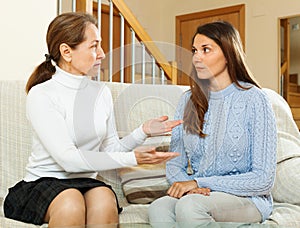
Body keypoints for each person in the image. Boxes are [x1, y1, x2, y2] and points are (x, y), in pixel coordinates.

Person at [3, 12, 181, 227]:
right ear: (67, 52)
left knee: (105, 200)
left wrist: (142, 132)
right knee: (70, 202)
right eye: (94, 46)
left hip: (84, 181)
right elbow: (67, 159)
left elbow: (111, 148)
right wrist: (134, 159)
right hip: (42, 183)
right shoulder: (42, 94)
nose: (102, 54)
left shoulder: (101, 93)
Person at [148, 21, 277, 227]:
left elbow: (263, 179)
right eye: (194, 50)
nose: (196, 57)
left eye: (206, 50)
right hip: (199, 194)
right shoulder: (188, 100)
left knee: (191, 208)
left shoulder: (255, 99)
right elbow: (174, 163)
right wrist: (190, 188)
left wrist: (199, 183)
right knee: (159, 208)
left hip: (247, 199)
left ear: (228, 54)